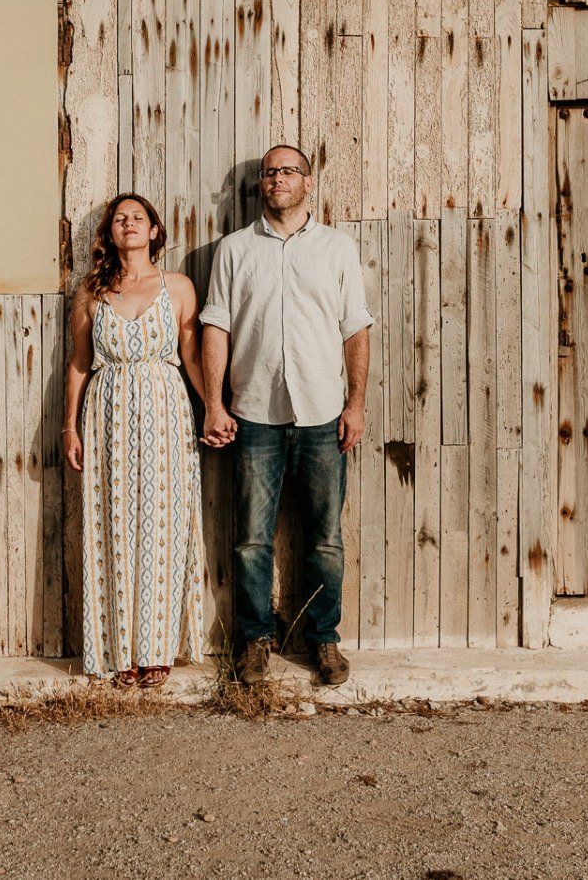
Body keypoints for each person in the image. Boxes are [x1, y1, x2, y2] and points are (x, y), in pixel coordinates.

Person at [198, 145, 371, 687]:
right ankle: (254, 641)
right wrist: (214, 403)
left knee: (325, 539)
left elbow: (355, 328)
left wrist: (356, 404)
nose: (278, 178)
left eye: (288, 170)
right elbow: (216, 326)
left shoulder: (337, 248)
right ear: (261, 186)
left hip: (322, 413)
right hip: (254, 414)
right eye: (270, 172)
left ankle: (323, 639)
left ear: (308, 182)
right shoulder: (234, 250)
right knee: (252, 540)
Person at [61, 193, 210, 688]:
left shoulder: (178, 286)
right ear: (110, 232)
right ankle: (119, 647)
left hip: (166, 413)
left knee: (164, 526)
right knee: (115, 524)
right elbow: (79, 362)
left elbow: (192, 355)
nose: (129, 223)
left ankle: (157, 648)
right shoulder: (92, 292)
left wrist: (214, 406)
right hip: (108, 417)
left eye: (138, 217)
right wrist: (69, 426)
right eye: (120, 218)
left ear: (154, 231)